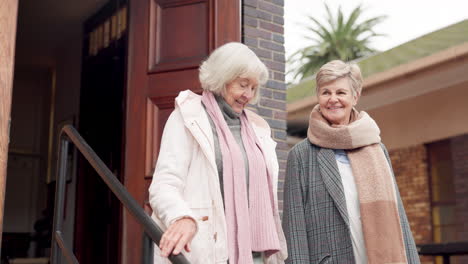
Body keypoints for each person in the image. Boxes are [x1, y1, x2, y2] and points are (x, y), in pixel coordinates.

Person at [149, 42, 287, 264]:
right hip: (208, 250)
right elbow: (164, 185)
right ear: (222, 78)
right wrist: (182, 217)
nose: (248, 95)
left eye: (254, 88)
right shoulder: (187, 117)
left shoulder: (258, 129)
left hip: (256, 255)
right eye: (243, 85)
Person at [282, 60, 420, 264]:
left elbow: (397, 214)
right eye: (326, 92)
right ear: (318, 97)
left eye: (341, 92)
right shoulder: (301, 156)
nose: (333, 99)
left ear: (355, 97)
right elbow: (294, 228)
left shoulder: (376, 148)